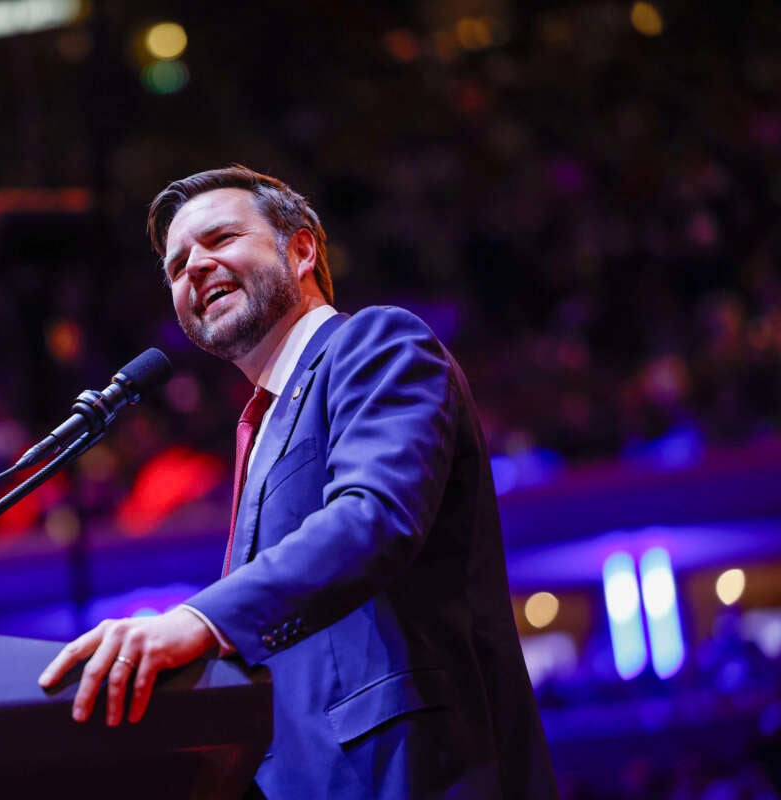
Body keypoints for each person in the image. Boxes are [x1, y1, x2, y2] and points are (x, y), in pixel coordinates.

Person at [39, 165, 558, 799]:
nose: (195, 267)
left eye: (221, 238)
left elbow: (372, 518)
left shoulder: (376, 343)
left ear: (302, 247)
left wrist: (199, 619)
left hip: (412, 771)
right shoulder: (262, 427)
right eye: (177, 266)